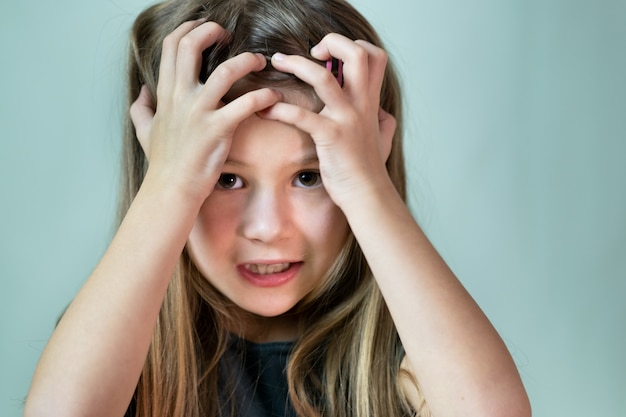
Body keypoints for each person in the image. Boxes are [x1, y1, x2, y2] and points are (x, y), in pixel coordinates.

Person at [25, 0, 531, 416]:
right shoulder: (117, 339)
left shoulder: (411, 348)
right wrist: (170, 187)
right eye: (225, 178)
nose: (267, 228)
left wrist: (365, 186)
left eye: (309, 177)